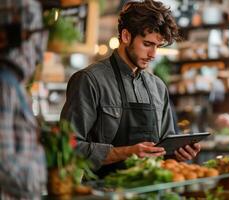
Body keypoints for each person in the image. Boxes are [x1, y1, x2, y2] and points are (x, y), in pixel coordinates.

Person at [61, 0, 201, 178]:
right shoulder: (90, 80)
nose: (153, 55)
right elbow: (67, 147)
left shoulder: (158, 87)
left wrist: (178, 153)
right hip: (104, 192)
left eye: (157, 46)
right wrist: (127, 152)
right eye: (147, 44)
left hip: (152, 191)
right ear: (126, 36)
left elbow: (164, 149)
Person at [0, 0, 48, 199]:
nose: (39, 52)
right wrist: (40, 179)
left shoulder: (13, 83)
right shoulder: (4, 84)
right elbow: (3, 163)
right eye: (36, 38)